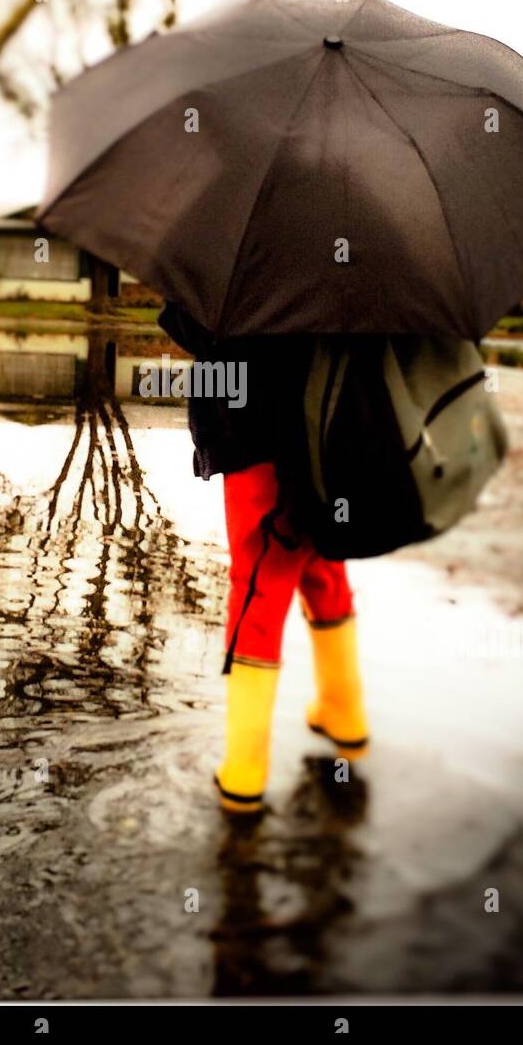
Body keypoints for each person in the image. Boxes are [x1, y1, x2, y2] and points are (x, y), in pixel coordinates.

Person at [158, 302, 369, 814]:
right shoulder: (348, 247)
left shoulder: (240, 248)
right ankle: (345, 715)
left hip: (256, 438)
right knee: (323, 564)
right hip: (331, 436)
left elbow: (197, 325)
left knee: (258, 586)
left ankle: (245, 772)